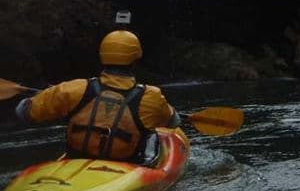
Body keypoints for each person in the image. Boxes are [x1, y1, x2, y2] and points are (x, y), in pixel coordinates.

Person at [15, 30, 181, 164]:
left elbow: (24, 112)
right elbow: (173, 122)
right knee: (152, 135)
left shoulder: (74, 89)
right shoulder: (151, 96)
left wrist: (44, 96)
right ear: (136, 59)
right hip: (126, 167)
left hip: (76, 160)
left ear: (102, 55)